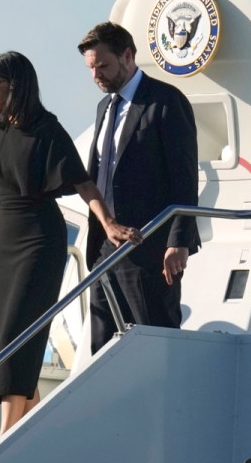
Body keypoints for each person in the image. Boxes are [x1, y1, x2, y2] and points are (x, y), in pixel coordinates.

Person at [0, 51, 140, 436]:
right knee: (5, 339)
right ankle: (31, 428)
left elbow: (83, 184)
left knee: (18, 334)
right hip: (7, 245)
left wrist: (109, 223)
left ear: (16, 85)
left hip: (39, 242)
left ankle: (4, 435)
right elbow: (3, 204)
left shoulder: (48, 129)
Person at [77, 22, 200, 355]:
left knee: (153, 343)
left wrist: (178, 241)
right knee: (104, 348)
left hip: (150, 247)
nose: (96, 75)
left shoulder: (165, 101)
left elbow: (184, 178)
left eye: (103, 66)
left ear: (127, 56)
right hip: (106, 247)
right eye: (91, 68)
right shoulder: (104, 108)